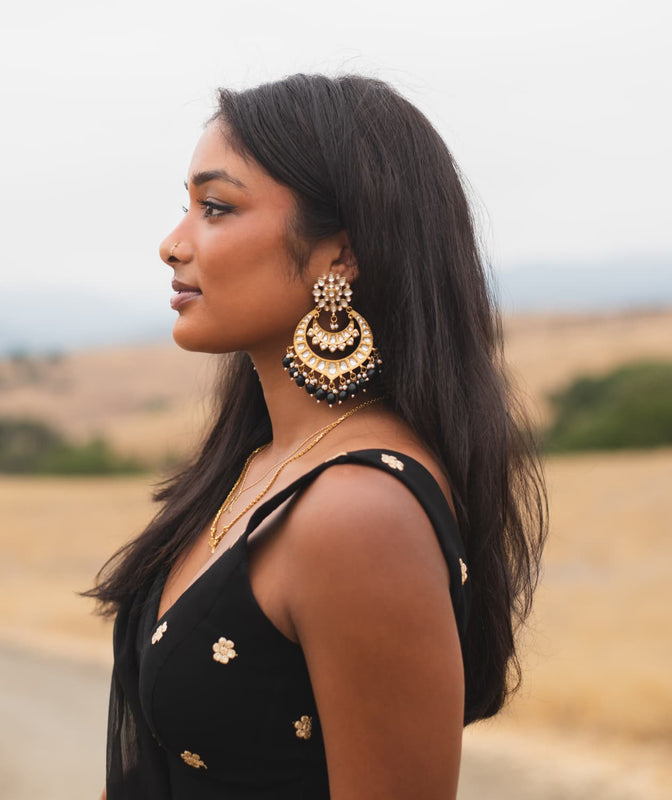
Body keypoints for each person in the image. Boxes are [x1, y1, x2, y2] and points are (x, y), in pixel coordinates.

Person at [88, 73, 547, 799]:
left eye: (215, 207)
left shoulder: (359, 510)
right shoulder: (259, 465)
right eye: (187, 207)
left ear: (339, 254)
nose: (173, 245)